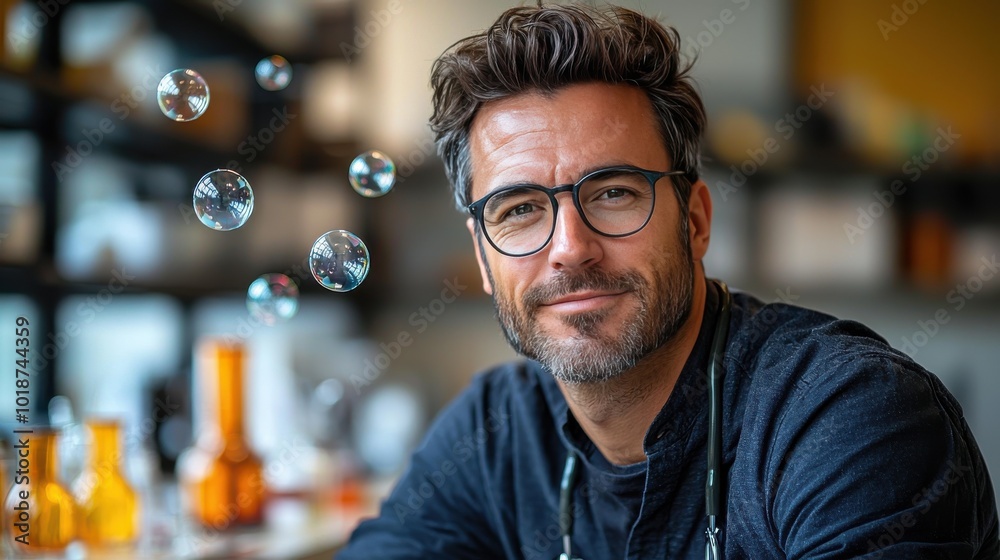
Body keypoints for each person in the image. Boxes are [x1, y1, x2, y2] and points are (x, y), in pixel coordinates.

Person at [337, 3, 999, 558]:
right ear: (483, 260)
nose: (570, 249)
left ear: (697, 221)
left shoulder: (848, 416)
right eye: (518, 210)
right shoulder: (496, 429)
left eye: (614, 194)